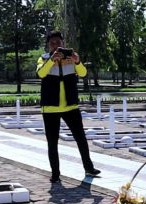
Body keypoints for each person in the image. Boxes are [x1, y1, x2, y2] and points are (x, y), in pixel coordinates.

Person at [36, 30, 100, 183]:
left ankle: (88, 168)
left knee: (81, 138)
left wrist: (78, 61)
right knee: (52, 143)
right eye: (52, 43)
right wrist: (51, 60)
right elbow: (41, 74)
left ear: (63, 43)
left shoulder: (72, 58)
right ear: (48, 46)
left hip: (70, 106)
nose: (56, 45)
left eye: (58, 42)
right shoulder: (43, 58)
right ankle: (55, 174)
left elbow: (83, 73)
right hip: (51, 107)